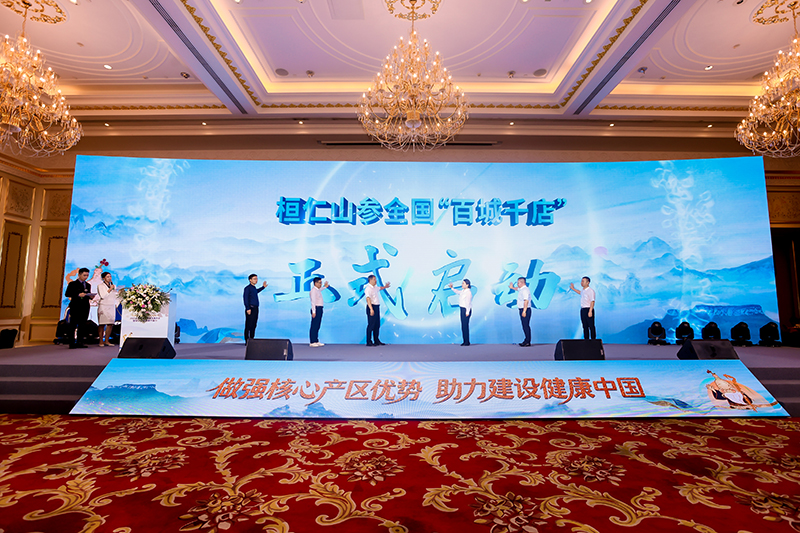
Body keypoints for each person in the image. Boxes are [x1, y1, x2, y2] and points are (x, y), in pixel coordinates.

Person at [64, 267, 93, 349]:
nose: (86, 277)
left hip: (85, 307)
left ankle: (80, 342)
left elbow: (87, 294)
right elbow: (67, 294)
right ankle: (72, 343)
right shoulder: (72, 284)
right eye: (84, 275)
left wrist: (90, 296)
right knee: (73, 325)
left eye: (87, 275)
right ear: (79, 274)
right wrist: (78, 294)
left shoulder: (88, 285)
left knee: (82, 325)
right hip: (75, 306)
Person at [364, 275, 390, 346]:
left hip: (376, 307)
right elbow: (368, 299)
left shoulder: (375, 288)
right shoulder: (368, 289)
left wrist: (385, 286)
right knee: (371, 325)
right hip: (371, 307)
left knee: (377, 325)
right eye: (374, 279)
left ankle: (376, 340)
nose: (376, 281)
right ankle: (369, 341)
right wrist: (371, 309)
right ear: (370, 280)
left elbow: (380, 288)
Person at [243, 274, 268, 343]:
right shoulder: (247, 288)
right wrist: (248, 308)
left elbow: (256, 291)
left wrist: (263, 287)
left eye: (256, 279)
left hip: (255, 308)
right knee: (249, 324)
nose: (256, 280)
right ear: (250, 280)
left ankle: (252, 339)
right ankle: (247, 340)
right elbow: (245, 299)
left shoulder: (253, 288)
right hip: (250, 308)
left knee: (254, 324)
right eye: (254, 279)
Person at [96, 271, 118, 346]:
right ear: (103, 278)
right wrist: (110, 289)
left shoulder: (113, 286)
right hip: (104, 305)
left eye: (110, 276)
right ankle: (101, 341)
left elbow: (115, 295)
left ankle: (107, 340)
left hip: (111, 305)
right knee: (102, 324)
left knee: (110, 324)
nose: (109, 278)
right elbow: (103, 296)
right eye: (108, 277)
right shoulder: (100, 286)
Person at [508, 277, 531, 346]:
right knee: (524, 326)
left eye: (518, 283)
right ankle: (526, 340)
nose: (517, 284)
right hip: (523, 309)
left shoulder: (525, 290)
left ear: (521, 282)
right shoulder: (522, 289)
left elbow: (526, 301)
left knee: (525, 326)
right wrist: (512, 288)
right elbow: (517, 289)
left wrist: (524, 311)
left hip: (525, 309)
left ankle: (527, 341)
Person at [449, 279, 472, 346]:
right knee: (463, 326)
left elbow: (468, 303)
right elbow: (457, 292)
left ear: (467, 285)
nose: (462, 284)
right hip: (462, 309)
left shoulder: (468, 293)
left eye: (463, 283)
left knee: (465, 326)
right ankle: (465, 341)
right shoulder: (463, 291)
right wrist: (452, 288)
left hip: (466, 310)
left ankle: (467, 341)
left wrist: (467, 311)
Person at [309, 277, 329, 347]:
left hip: (319, 308)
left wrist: (325, 287)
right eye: (320, 283)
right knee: (314, 325)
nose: (321, 284)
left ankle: (316, 340)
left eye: (321, 283)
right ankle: (312, 341)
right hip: (316, 309)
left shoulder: (317, 290)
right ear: (315, 283)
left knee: (317, 325)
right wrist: (314, 311)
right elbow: (313, 302)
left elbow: (320, 289)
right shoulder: (313, 291)